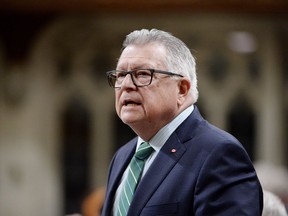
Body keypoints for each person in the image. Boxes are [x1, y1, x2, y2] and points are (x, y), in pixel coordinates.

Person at [101, 28, 263, 216]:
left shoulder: (219, 154)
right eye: (120, 75)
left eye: (143, 74)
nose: (126, 85)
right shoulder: (123, 156)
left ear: (182, 89)